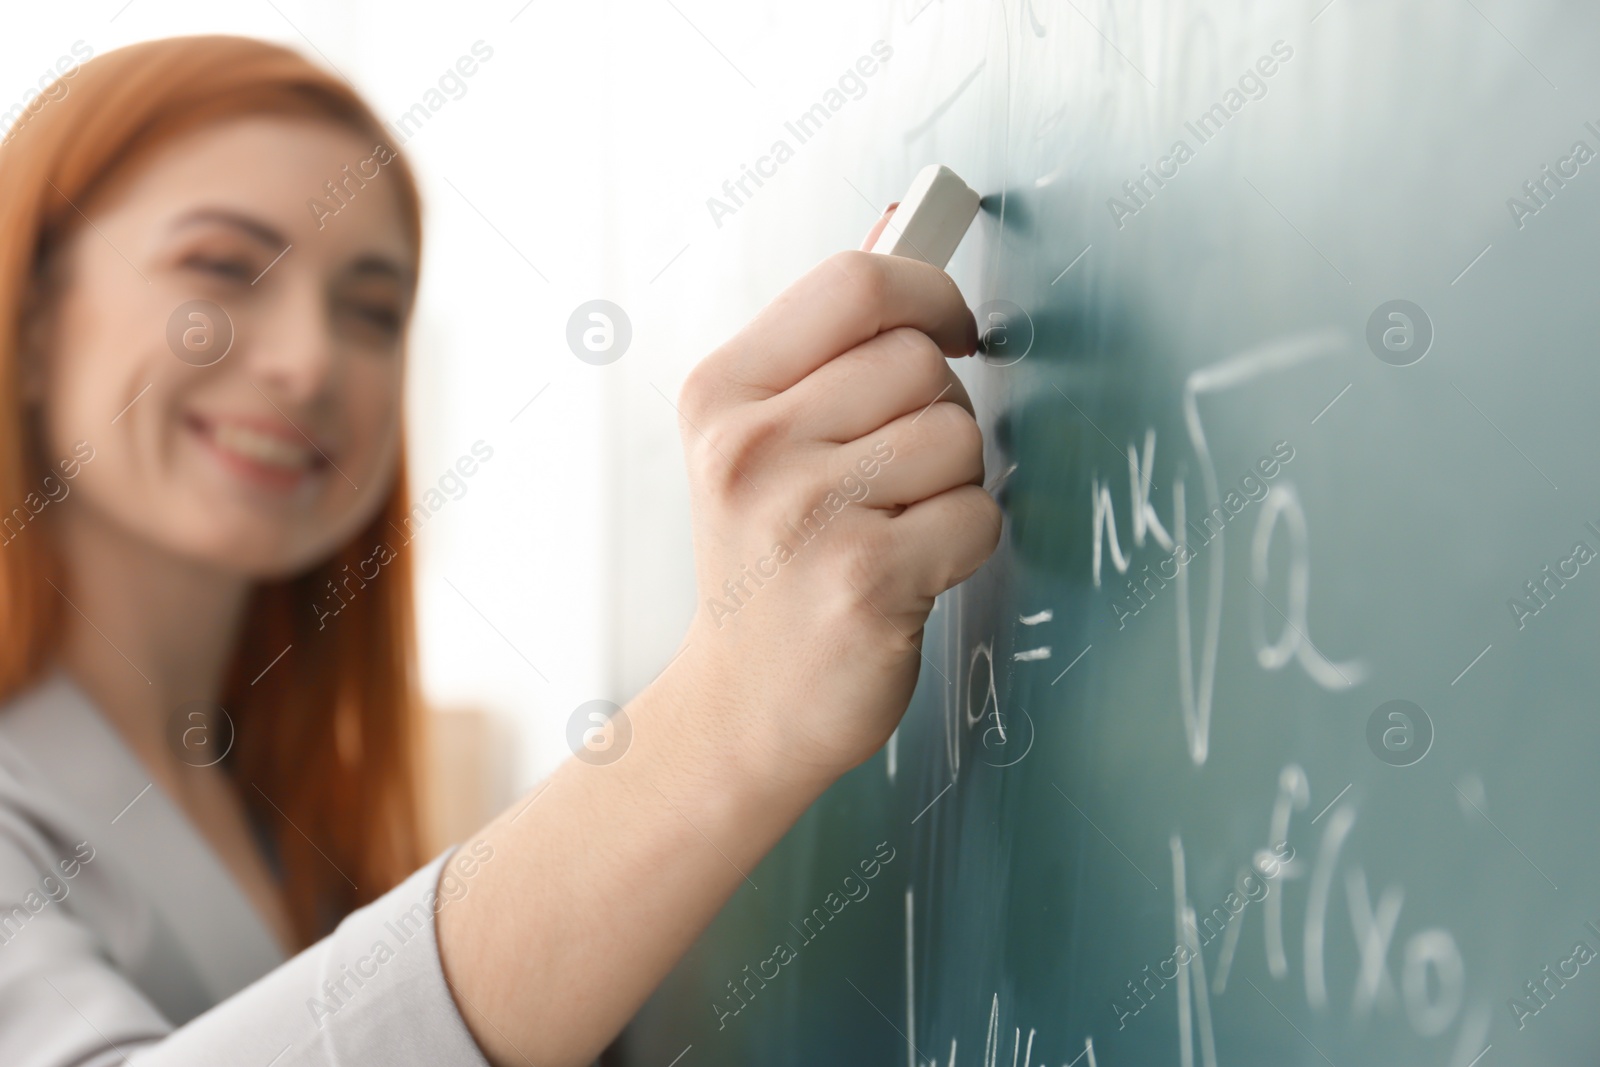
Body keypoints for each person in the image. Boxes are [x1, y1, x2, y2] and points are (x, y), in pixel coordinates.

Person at [0, 34, 998, 1067]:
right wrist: (730, 711)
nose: (307, 360)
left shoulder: (285, 791)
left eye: (372, 309)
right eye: (221, 267)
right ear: (28, 320)